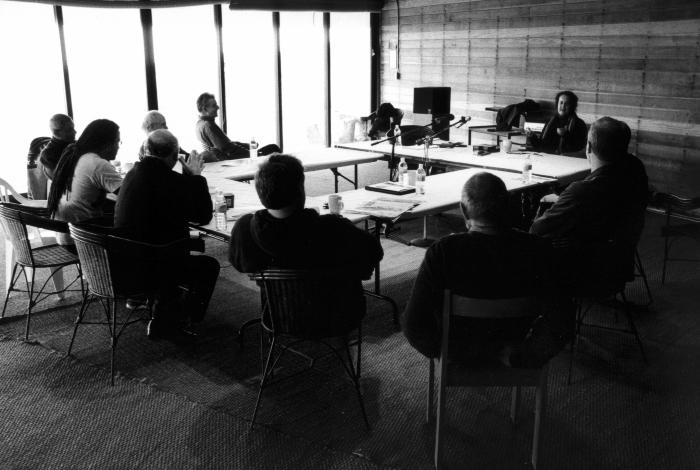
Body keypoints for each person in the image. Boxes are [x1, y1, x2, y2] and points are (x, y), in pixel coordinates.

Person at [401, 172, 559, 367]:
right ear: (509, 205)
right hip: (515, 347)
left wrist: (444, 352)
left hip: (457, 353)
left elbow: (413, 325)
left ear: (463, 210)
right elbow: (561, 321)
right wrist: (525, 355)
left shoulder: (443, 252)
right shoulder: (539, 249)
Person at [229, 154, 383, 330]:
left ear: (260, 191)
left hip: (278, 315)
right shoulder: (333, 227)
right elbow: (374, 252)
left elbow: (241, 264)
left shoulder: (245, 228)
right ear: (300, 190)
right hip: (337, 316)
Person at [114, 129, 220, 336]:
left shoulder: (132, 175)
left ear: (146, 151)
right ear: (174, 156)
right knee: (209, 266)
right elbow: (203, 216)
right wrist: (196, 177)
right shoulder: (172, 181)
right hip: (154, 263)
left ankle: (164, 312)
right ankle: (176, 320)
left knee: (172, 246)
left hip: (125, 260)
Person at [530, 116, 649, 288]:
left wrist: (553, 206)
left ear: (589, 147)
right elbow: (602, 204)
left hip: (587, 273)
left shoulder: (582, 191)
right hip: (620, 263)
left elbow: (537, 230)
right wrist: (564, 201)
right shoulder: (635, 170)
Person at [48, 119, 123, 245]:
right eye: (117, 141)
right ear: (106, 143)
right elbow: (129, 195)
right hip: (82, 241)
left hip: (64, 235)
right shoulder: (97, 164)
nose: (118, 146)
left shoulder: (74, 153)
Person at [195, 93, 281, 161]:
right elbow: (229, 149)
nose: (218, 107)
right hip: (231, 160)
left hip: (228, 157)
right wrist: (255, 154)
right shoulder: (208, 126)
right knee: (273, 148)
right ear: (205, 109)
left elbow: (226, 144)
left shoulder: (200, 124)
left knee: (272, 148)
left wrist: (247, 145)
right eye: (214, 105)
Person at [527, 91, 587, 155]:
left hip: (567, 161)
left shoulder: (580, 124)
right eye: (561, 103)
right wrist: (532, 137)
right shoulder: (550, 121)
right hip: (548, 159)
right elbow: (541, 147)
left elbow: (579, 149)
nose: (563, 106)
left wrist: (565, 135)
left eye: (567, 104)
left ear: (572, 106)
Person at [39, 114, 77, 180]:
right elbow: (60, 181)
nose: (75, 132)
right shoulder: (48, 155)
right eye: (69, 130)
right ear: (57, 133)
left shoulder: (75, 144)